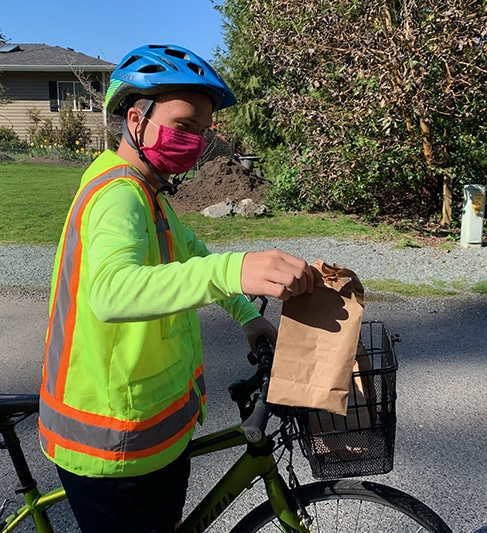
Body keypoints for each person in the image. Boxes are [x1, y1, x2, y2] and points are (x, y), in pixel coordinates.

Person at [37, 44, 314, 533]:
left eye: (202, 132)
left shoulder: (149, 191)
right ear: (136, 120)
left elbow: (195, 256)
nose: (195, 141)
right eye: (183, 125)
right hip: (114, 446)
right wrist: (236, 270)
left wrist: (248, 316)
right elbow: (110, 292)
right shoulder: (119, 196)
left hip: (150, 438)